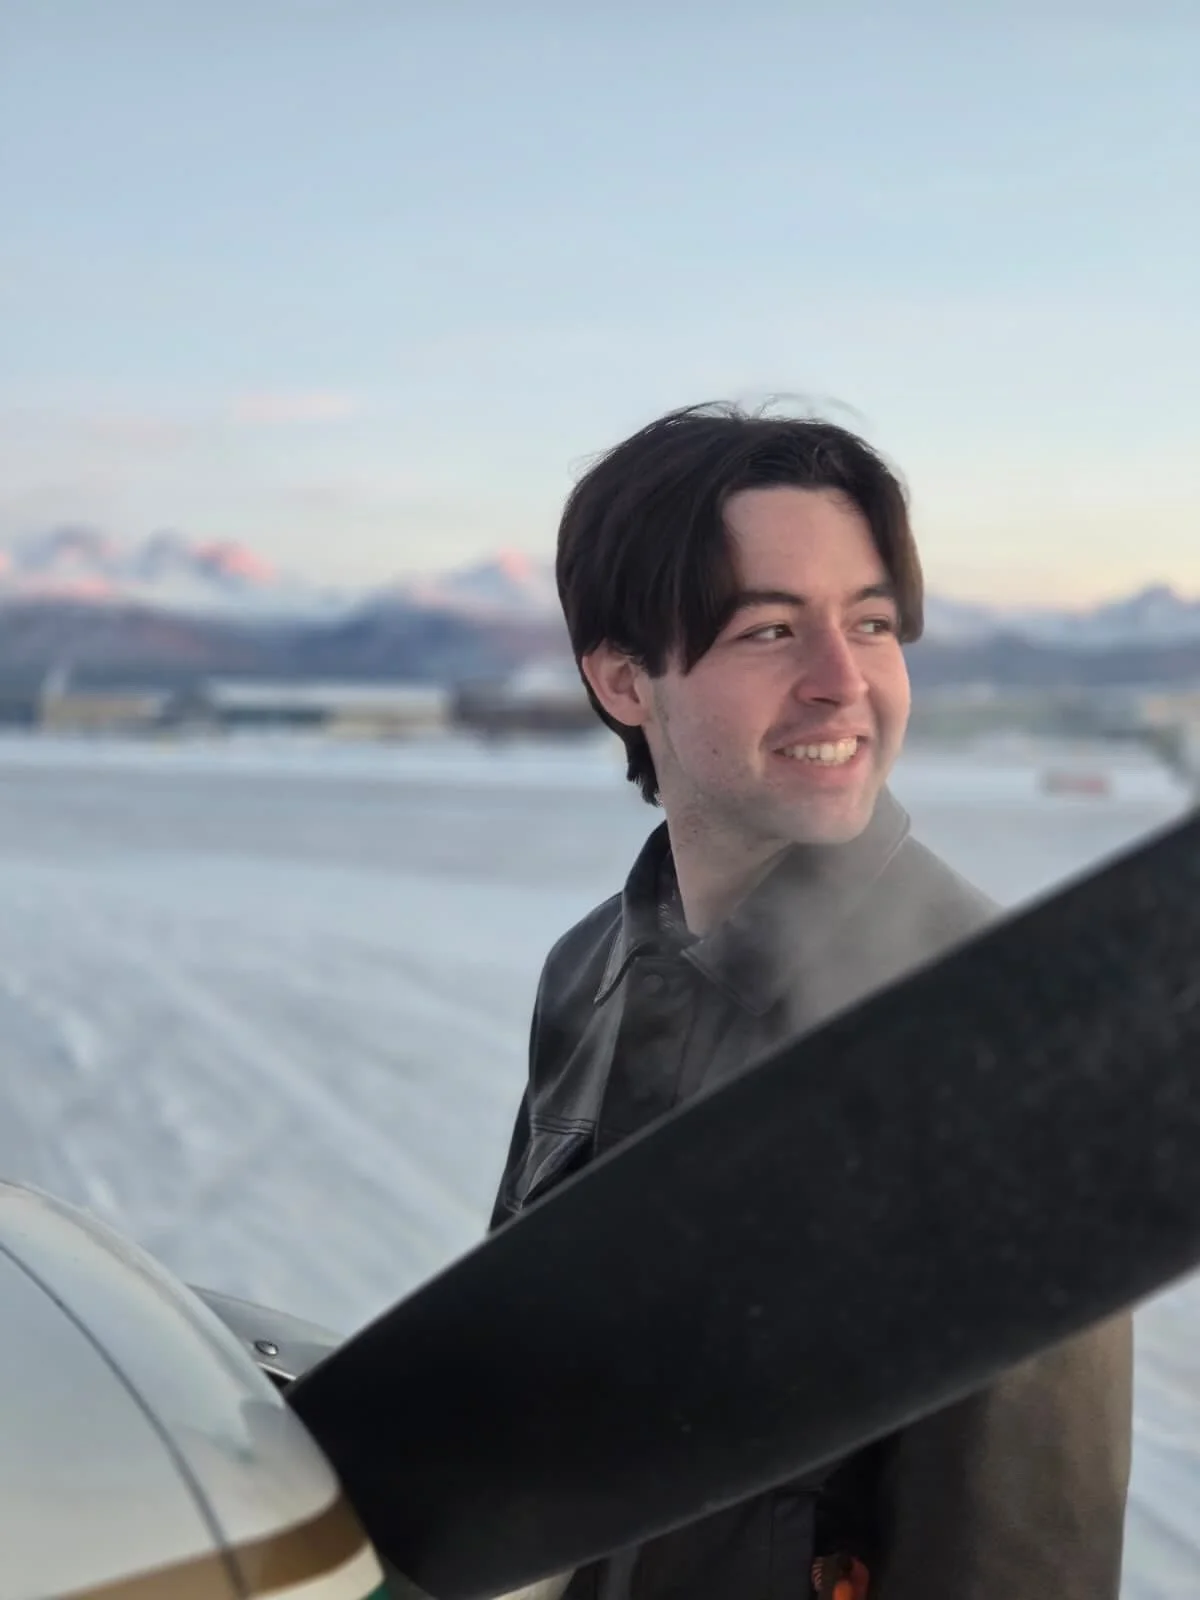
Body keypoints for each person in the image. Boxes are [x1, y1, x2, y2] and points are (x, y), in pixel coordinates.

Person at [489, 402, 1132, 1600]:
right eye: (771, 631)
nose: (844, 683)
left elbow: (1019, 1558)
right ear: (626, 678)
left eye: (873, 623)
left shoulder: (1000, 1039)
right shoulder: (589, 972)